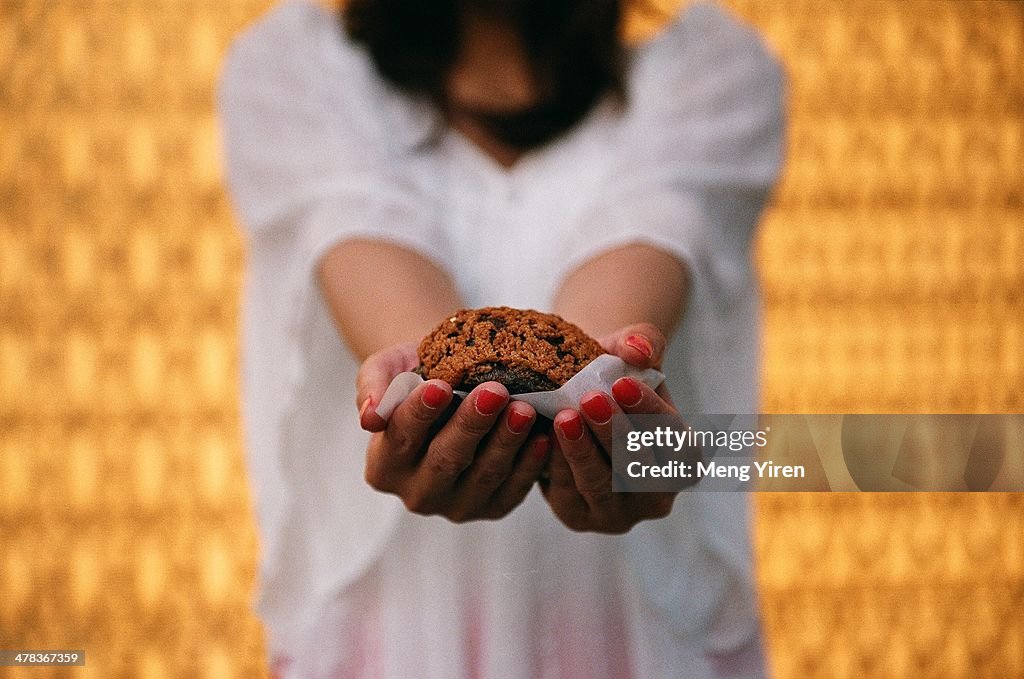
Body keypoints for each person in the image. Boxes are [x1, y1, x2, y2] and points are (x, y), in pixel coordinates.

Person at [218, 0, 785, 676]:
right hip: (390, 640)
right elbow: (372, 255)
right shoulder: (294, 67)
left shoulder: (714, 72)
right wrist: (435, 392)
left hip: (639, 640)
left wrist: (601, 389)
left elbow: (628, 276)